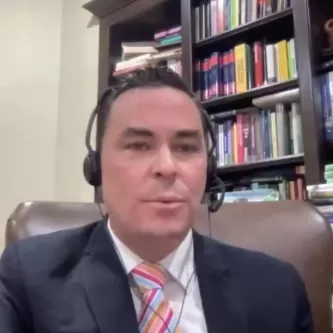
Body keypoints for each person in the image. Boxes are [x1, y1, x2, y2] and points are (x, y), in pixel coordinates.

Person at [0, 67, 313, 333]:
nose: (166, 167)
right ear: (96, 168)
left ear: (209, 167)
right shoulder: (29, 277)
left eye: (186, 148)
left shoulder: (277, 289)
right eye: (139, 145)